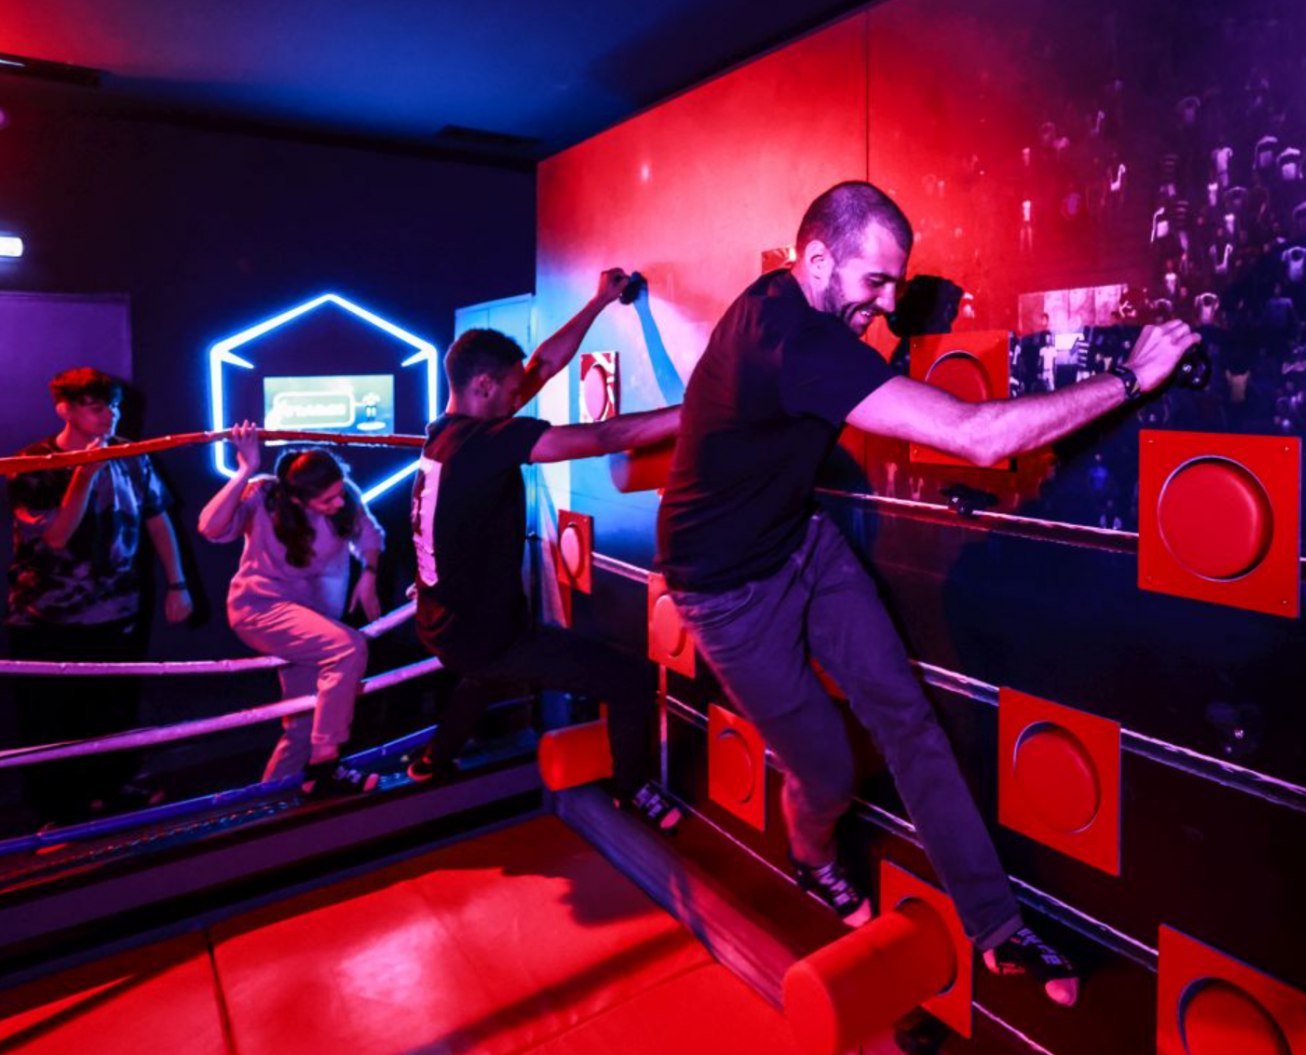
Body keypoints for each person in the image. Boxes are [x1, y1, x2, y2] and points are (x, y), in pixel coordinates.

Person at [657, 182, 1197, 1007]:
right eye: (875, 282)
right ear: (817, 260)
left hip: (801, 543)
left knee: (906, 716)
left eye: (895, 286)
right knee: (828, 772)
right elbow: (978, 439)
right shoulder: (792, 339)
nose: (886, 305)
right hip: (725, 592)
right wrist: (1132, 377)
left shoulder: (798, 308)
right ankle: (812, 856)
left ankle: (997, 927)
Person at [408, 269, 684, 833]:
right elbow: (604, 438)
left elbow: (543, 365)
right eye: (513, 392)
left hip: (443, 623)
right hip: (488, 637)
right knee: (629, 679)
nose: (521, 396)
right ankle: (631, 789)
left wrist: (600, 301)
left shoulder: (444, 434)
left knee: (476, 673)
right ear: (485, 385)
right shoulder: (488, 445)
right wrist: (700, 410)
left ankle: (433, 759)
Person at [6, 368, 192, 828]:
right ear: (65, 409)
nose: (109, 415)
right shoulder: (32, 462)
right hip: (46, 615)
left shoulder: (130, 454)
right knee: (50, 719)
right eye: (96, 407)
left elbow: (157, 518)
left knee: (112, 707)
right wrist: (84, 475)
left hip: (116, 608)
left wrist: (178, 584)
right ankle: (56, 812)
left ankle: (111, 789)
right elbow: (55, 537)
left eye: (114, 406)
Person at [198, 425, 384, 796]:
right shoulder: (264, 495)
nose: (338, 503)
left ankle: (268, 802)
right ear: (297, 500)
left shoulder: (345, 498)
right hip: (260, 610)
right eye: (326, 500)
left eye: (338, 493)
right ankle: (326, 766)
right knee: (348, 648)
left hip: (315, 623)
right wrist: (244, 471)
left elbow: (370, 536)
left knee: (303, 725)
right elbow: (210, 527)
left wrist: (369, 576)